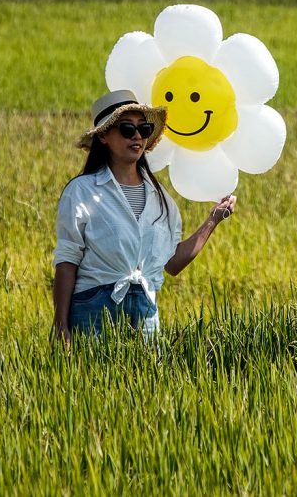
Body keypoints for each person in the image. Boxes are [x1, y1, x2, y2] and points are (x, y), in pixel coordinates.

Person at [52, 90, 236, 345]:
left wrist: (212, 220)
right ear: (104, 136)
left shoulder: (161, 200)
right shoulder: (82, 191)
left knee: (144, 382)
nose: (137, 136)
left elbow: (172, 263)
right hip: (92, 309)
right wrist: (61, 325)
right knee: (91, 382)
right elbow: (67, 261)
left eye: (144, 128)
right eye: (127, 129)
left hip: (145, 311)